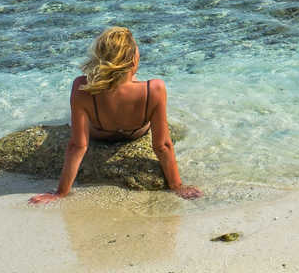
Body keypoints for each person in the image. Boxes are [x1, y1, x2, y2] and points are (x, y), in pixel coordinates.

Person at [29, 26, 202, 203]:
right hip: (134, 133)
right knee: (135, 88)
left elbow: (78, 146)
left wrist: (60, 193)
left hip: (99, 133)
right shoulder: (154, 89)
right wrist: (176, 185)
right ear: (133, 60)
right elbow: (162, 145)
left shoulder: (81, 87)